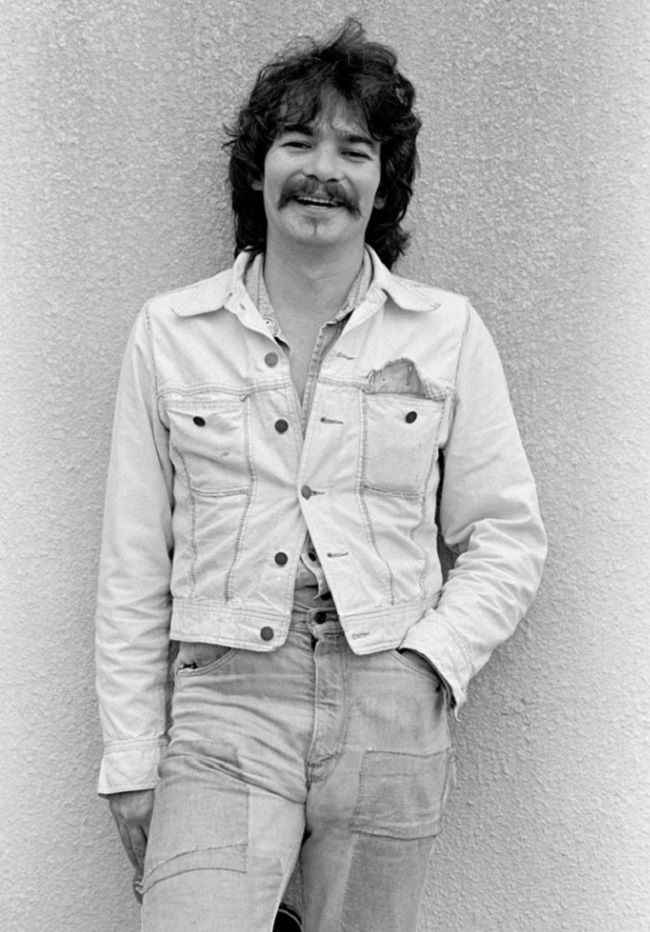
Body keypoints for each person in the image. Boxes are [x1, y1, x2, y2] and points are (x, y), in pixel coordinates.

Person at [95, 18, 547, 932]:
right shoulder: (172, 333)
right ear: (257, 168)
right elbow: (133, 561)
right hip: (225, 703)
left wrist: (431, 661)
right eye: (298, 142)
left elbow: (507, 533)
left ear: (383, 182)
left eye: (355, 149)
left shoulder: (445, 332)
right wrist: (132, 754)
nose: (323, 171)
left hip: (389, 694)